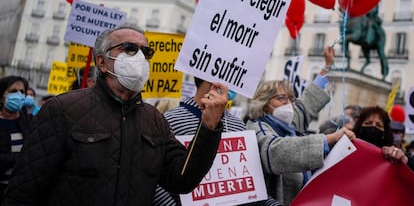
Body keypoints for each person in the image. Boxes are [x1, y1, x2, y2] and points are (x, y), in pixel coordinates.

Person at [3, 23, 229, 206]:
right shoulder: (62, 110)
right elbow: (24, 190)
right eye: (130, 48)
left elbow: (182, 179)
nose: (140, 57)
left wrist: (208, 128)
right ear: (102, 62)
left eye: (145, 52)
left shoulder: (155, 120)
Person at [245, 46, 356, 206]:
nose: (288, 103)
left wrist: (327, 67)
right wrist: (329, 138)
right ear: (264, 104)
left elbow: (307, 104)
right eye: (282, 98)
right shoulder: (256, 128)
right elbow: (276, 151)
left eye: (290, 98)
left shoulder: (288, 125)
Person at [152, 77, 281, 206]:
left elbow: (250, 189)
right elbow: (154, 181)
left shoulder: (238, 125)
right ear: (211, 79)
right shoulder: (169, 122)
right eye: (231, 75)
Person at [0, 75, 32, 201]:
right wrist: (20, 158)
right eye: (13, 91)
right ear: (2, 96)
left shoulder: (30, 122)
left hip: (21, 191)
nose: (18, 95)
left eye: (22, 92)